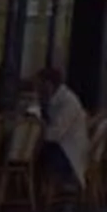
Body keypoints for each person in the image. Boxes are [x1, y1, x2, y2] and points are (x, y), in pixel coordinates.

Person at [34, 66, 89, 198]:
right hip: (57, 143)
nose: (37, 88)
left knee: (36, 156)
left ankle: (55, 190)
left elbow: (57, 131)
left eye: (39, 84)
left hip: (67, 148)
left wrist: (40, 132)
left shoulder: (68, 101)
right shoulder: (49, 99)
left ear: (48, 84)